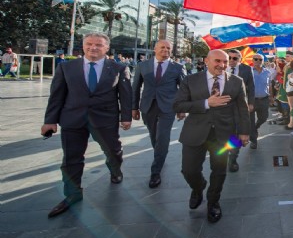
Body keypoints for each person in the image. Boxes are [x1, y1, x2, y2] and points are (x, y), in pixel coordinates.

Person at [41, 33, 132, 218]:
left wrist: (126, 116)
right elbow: (56, 96)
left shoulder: (118, 68)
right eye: (89, 44)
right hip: (72, 119)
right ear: (83, 46)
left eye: (99, 45)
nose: (93, 48)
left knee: (113, 150)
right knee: (71, 159)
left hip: (105, 119)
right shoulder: (67, 67)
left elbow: (125, 95)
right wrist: (50, 120)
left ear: (107, 48)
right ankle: (72, 194)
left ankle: (115, 170)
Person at [172, 49, 250, 223]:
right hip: (195, 133)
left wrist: (244, 132)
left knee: (219, 170)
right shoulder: (190, 80)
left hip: (223, 135)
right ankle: (198, 187)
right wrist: (207, 103)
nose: (222, 65)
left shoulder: (237, 82)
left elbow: (242, 110)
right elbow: (178, 105)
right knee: (189, 170)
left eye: (225, 61)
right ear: (206, 61)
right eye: (218, 61)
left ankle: (213, 202)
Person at [131, 40, 186, 188]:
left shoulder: (178, 67)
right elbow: (135, 87)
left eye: (169, 48)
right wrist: (134, 107)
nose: (166, 50)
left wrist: (182, 109)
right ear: (155, 49)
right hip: (148, 106)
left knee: (163, 136)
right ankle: (160, 154)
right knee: (153, 135)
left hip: (168, 107)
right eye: (162, 47)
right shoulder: (143, 65)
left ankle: (156, 171)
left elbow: (183, 90)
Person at [225, 49, 255, 172]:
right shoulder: (219, 67)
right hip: (221, 107)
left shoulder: (247, 69)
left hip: (239, 106)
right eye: (229, 57)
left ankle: (233, 158)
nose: (231, 60)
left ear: (240, 59)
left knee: (237, 133)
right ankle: (223, 155)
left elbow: (251, 87)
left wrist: (251, 102)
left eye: (235, 58)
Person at [250, 53, 271, 148]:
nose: (258, 61)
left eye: (260, 60)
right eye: (256, 59)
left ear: (263, 61)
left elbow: (269, 85)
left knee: (264, 118)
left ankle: (255, 127)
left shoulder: (268, 72)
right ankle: (254, 141)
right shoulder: (248, 72)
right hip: (251, 100)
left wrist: (272, 97)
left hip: (264, 99)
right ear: (252, 60)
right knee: (250, 120)